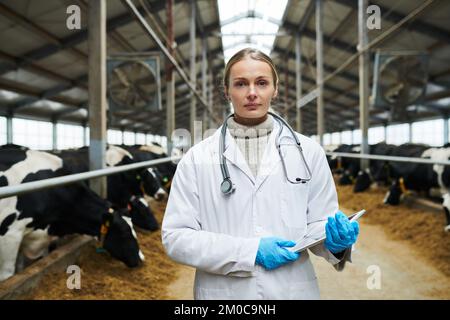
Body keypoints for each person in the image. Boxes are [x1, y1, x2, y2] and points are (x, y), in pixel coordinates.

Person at [161, 48, 360, 300]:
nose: (252, 93)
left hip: (292, 290)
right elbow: (176, 238)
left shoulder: (308, 152)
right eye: (241, 84)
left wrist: (336, 243)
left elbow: (319, 224)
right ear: (227, 91)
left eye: (262, 83)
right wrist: (249, 251)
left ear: (275, 89)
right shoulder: (197, 158)